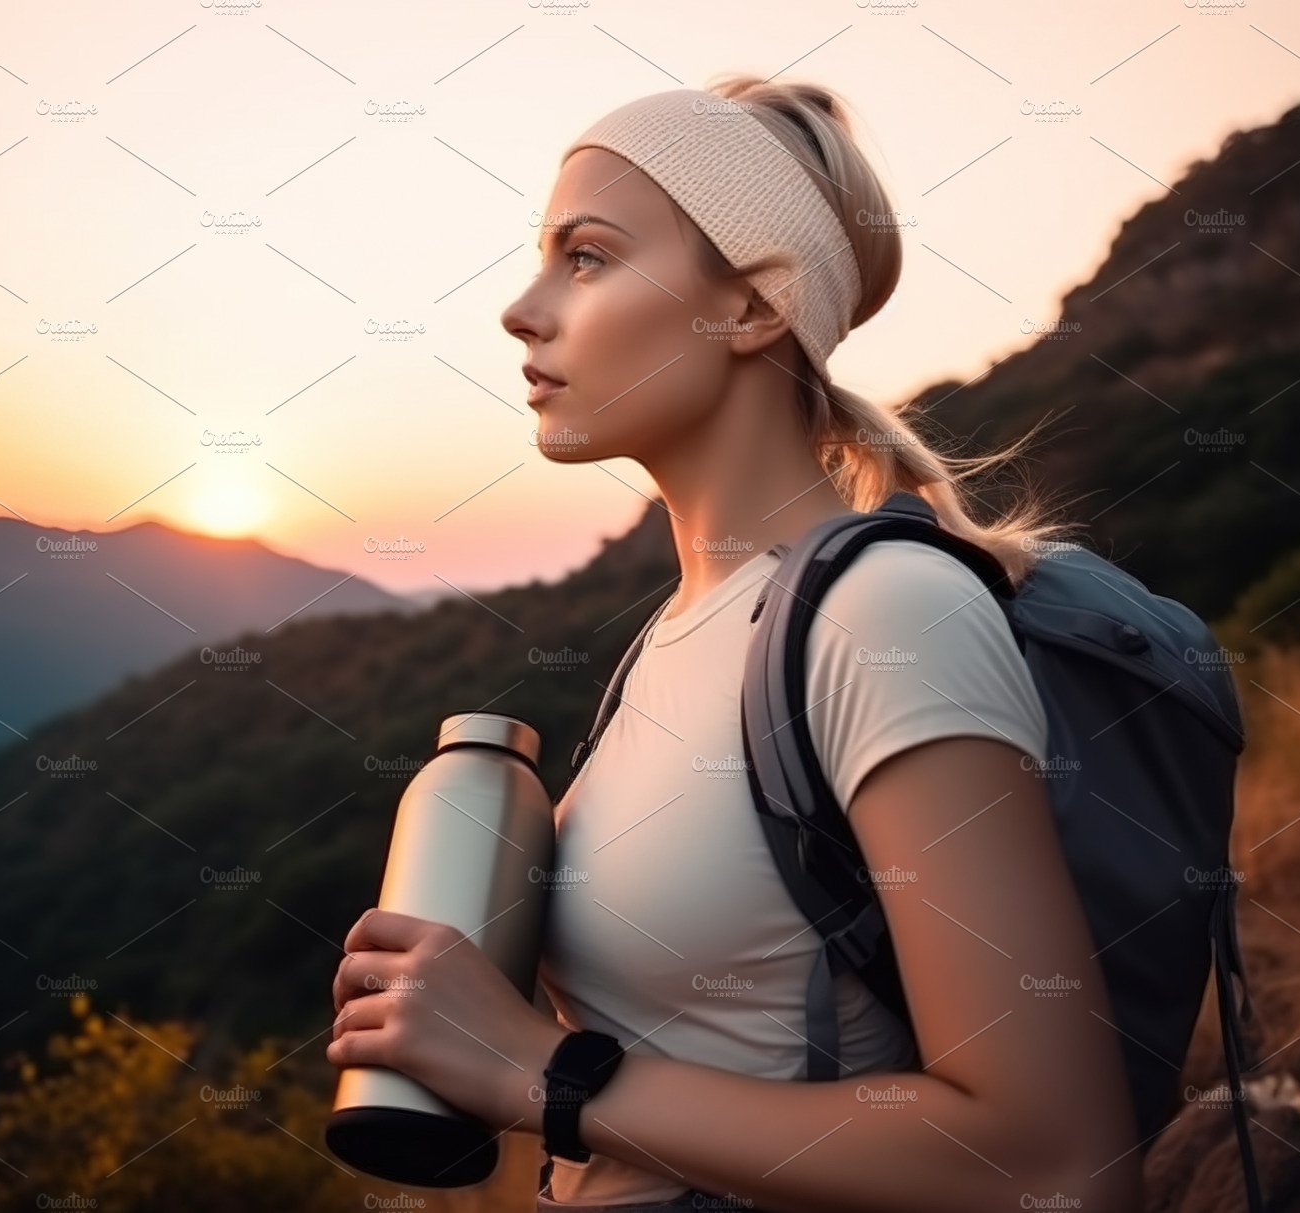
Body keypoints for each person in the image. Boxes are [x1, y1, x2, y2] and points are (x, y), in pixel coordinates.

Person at [334, 74, 1145, 1213]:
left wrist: (534, 1068)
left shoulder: (887, 614)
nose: (521, 309)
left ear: (753, 309)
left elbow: (1053, 1163)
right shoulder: (670, 645)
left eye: (587, 257)